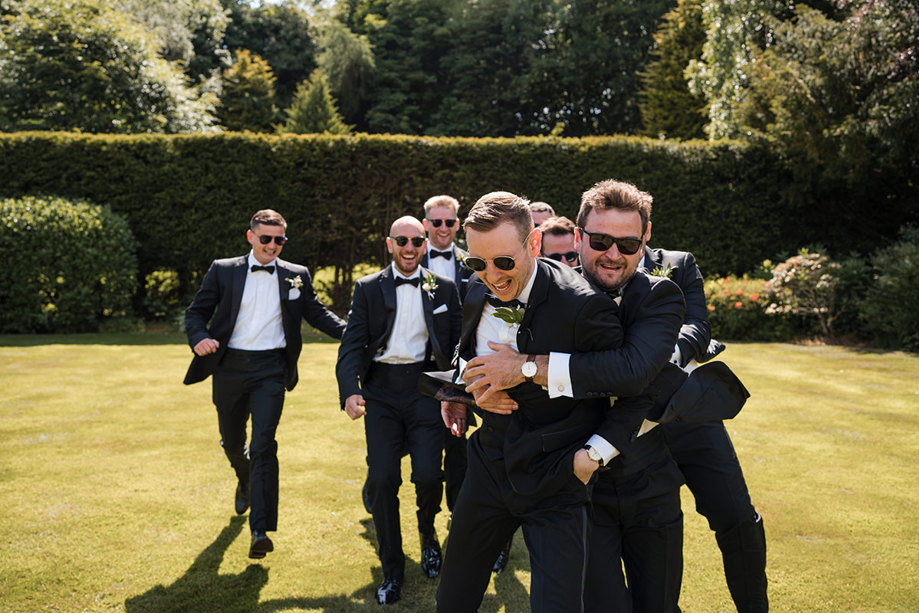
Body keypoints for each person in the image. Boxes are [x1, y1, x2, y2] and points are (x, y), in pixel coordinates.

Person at [461, 180, 701, 611]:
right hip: (572, 484)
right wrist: (474, 389)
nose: (613, 253)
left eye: (627, 243)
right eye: (601, 240)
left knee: (659, 603)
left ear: (645, 240)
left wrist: (528, 367)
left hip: (643, 477)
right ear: (578, 237)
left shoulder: (659, 295)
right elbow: (483, 354)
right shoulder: (543, 288)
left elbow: (636, 375)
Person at [435, 191, 627, 613]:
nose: (491, 275)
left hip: (555, 475)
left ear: (534, 244)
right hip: (488, 464)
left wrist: (590, 458)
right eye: (477, 262)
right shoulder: (475, 286)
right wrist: (458, 392)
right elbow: (464, 352)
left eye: (504, 262)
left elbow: (627, 386)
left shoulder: (583, 307)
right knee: (453, 596)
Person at [184, 209, 346, 560]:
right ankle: (243, 477)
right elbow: (197, 312)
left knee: (263, 445)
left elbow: (317, 314)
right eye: (266, 238)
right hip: (228, 367)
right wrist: (199, 338)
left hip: (271, 370)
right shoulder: (223, 270)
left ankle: (260, 529)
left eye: (279, 240)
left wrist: (353, 333)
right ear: (250, 237)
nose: (273, 245)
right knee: (233, 443)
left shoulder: (296, 275)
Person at [336, 216, 462, 605]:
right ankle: (392, 569)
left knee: (427, 476)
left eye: (417, 241)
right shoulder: (368, 288)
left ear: (425, 244)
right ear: (389, 243)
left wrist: (456, 395)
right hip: (383, 394)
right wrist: (350, 391)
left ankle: (428, 536)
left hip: (425, 390)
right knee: (383, 480)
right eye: (402, 241)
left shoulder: (443, 288)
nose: (410, 248)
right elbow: (352, 346)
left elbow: (459, 345)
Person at [644, 245, 769, 612]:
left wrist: (664, 354)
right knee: (650, 531)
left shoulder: (677, 264)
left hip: (689, 412)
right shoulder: (594, 266)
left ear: (646, 229)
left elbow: (698, 325)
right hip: (630, 424)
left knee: (736, 516)